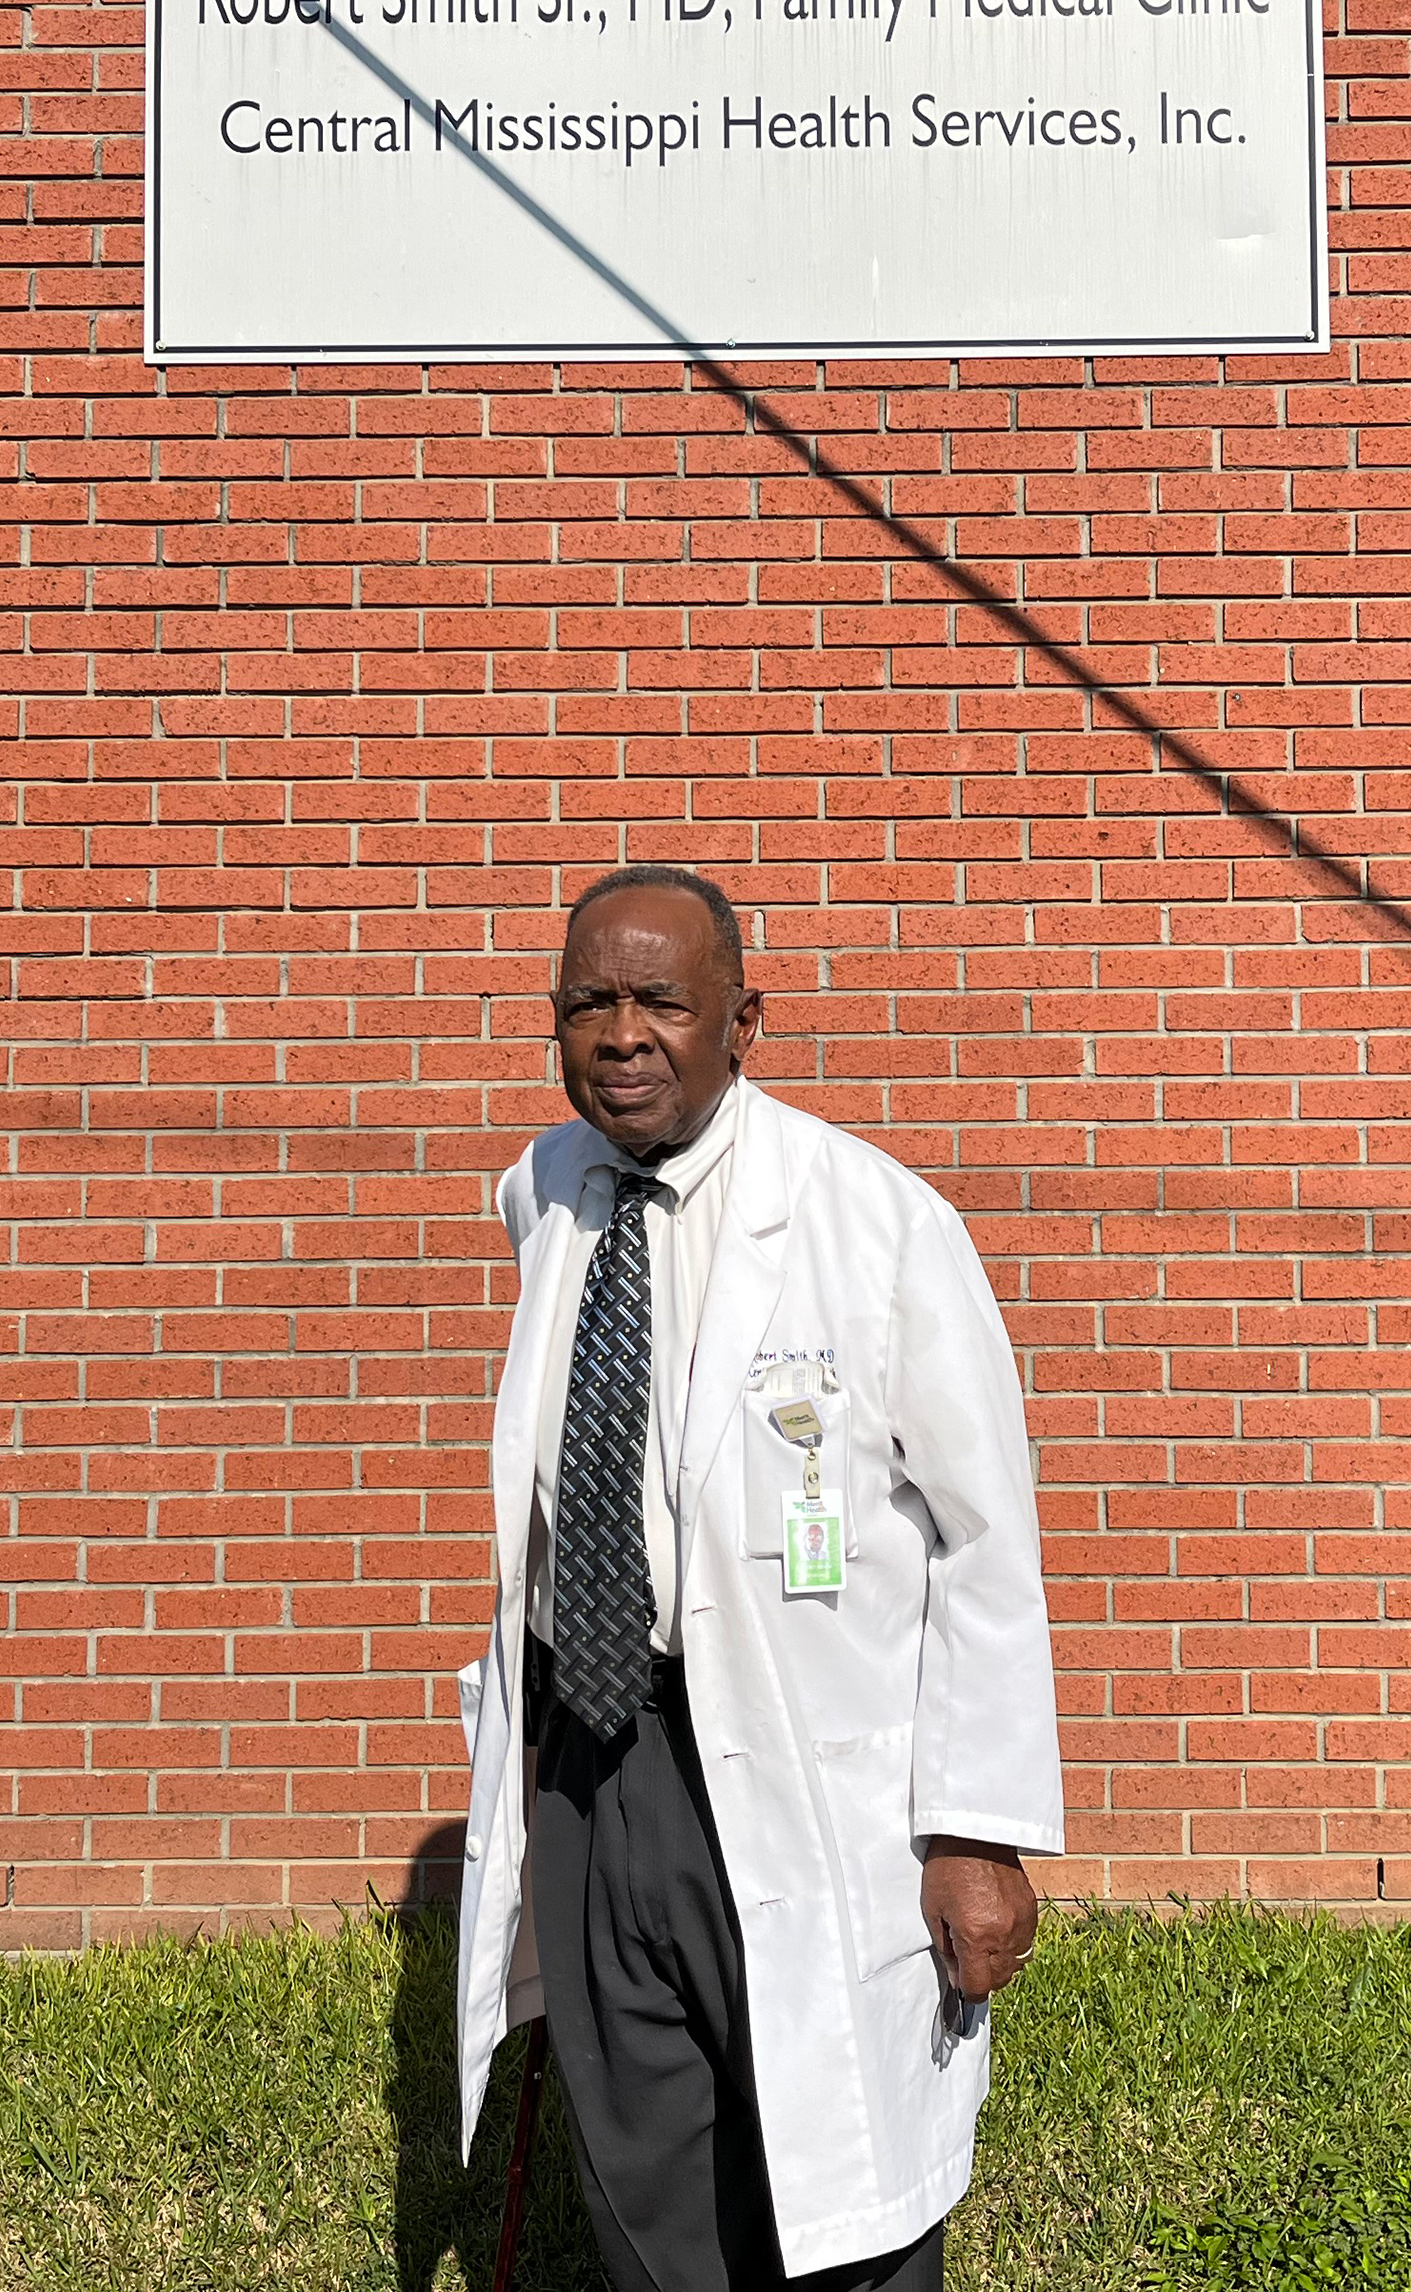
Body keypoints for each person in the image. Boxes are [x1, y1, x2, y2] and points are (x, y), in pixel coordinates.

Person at [449, 864, 1066, 2292]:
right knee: (647, 2190)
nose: (621, 1034)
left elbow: (987, 1544)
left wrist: (977, 1833)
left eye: (660, 998)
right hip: (596, 1764)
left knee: (837, 2191)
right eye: (586, 1003)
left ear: (746, 1019)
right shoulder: (546, 1193)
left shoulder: (876, 1221)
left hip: (805, 1773)